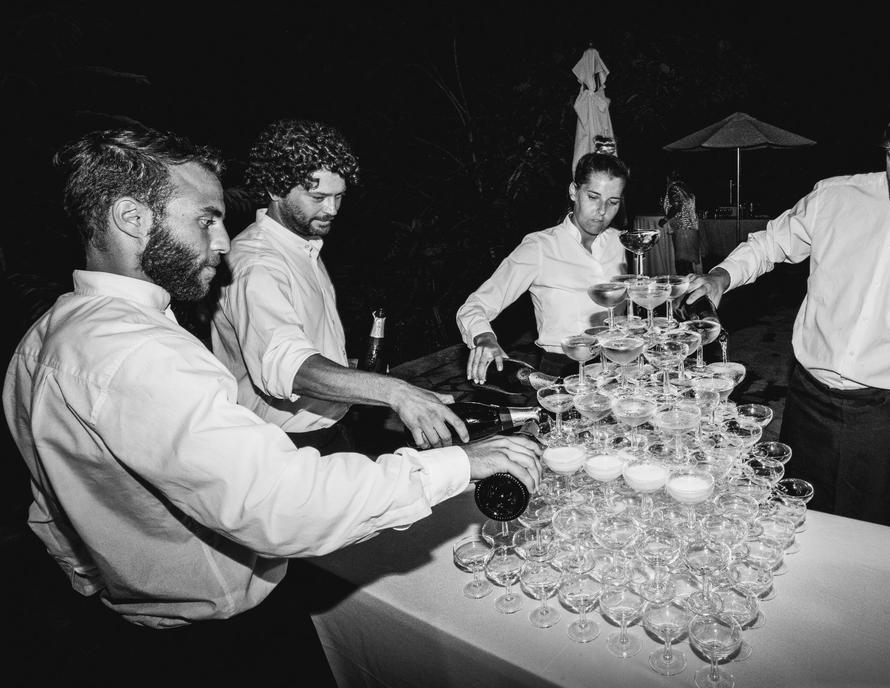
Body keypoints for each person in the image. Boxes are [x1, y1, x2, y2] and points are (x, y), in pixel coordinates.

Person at [2, 128, 542, 687]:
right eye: (206, 219)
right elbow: (282, 501)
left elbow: (49, 509)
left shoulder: (42, 338)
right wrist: (460, 463)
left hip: (137, 627)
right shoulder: (144, 351)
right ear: (132, 218)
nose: (221, 242)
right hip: (221, 641)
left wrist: (100, 585)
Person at [687, 76, 890, 532]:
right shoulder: (835, 196)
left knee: (879, 541)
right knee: (796, 526)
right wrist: (722, 275)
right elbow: (771, 243)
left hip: (889, 415)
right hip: (808, 399)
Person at [211, 119, 467, 454]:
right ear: (275, 189)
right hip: (282, 445)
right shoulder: (257, 265)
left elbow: (304, 341)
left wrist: (356, 372)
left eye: (339, 196)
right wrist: (396, 392)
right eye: (318, 197)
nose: (331, 210)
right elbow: (289, 366)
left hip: (331, 428)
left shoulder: (301, 244)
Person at [457, 152, 629, 385]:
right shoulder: (539, 247)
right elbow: (474, 307)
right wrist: (484, 337)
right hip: (563, 373)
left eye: (613, 202)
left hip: (619, 367)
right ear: (573, 191)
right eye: (593, 197)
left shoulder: (622, 242)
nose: (602, 210)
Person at [658, 169, 702, 276]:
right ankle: (690, 284)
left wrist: (665, 219)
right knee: (687, 263)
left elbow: (677, 206)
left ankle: (686, 285)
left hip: (682, 228)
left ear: (668, 178)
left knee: (682, 264)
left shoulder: (674, 188)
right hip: (690, 228)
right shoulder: (685, 188)